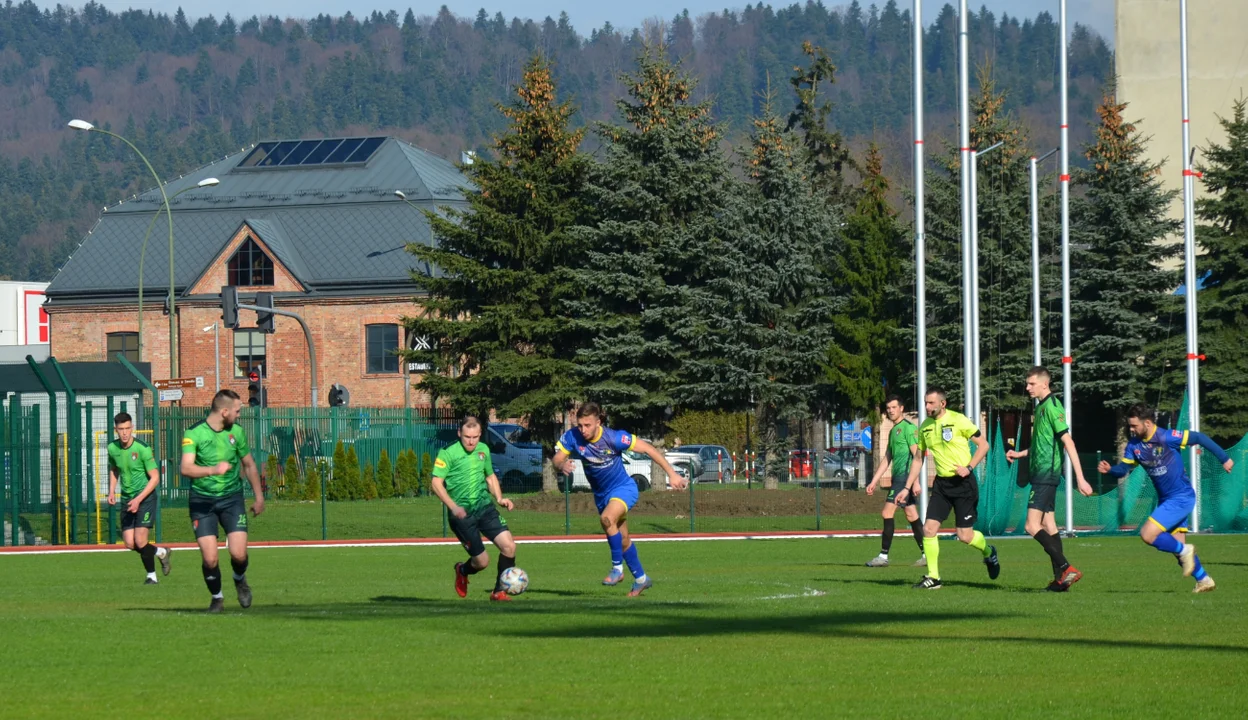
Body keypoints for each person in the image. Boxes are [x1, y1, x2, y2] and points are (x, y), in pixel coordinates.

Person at [552, 403, 686, 597]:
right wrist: (561, 465)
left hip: (624, 489)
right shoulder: (573, 436)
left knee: (607, 519)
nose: (583, 429)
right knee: (623, 540)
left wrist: (672, 474)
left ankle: (617, 569)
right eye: (580, 425)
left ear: (598, 422)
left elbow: (648, 448)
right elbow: (557, 459)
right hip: (601, 495)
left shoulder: (614, 438)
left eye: (587, 425)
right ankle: (641, 580)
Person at [1098, 404, 1233, 593]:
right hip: (1167, 500)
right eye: (1129, 426)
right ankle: (1204, 580)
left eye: (1134, 426)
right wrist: (1110, 470)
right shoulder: (1134, 446)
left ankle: (1186, 551)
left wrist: (1224, 458)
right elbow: (1124, 469)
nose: (1131, 429)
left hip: (1181, 498)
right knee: (1179, 554)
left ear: (1147, 423)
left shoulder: (1167, 437)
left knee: (1147, 534)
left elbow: (1200, 437)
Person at [895, 387, 999, 590]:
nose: (927, 407)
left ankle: (989, 552)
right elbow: (918, 459)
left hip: (964, 485)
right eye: (925, 402)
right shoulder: (925, 427)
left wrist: (968, 468)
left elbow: (984, 445)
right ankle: (934, 577)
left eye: (931, 403)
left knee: (964, 536)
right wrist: (906, 488)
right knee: (929, 529)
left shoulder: (958, 419)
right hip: (942, 485)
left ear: (942, 403)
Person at [1005, 367, 1094, 591]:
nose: (1027, 388)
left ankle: (1066, 567)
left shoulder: (1053, 407)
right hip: (1042, 473)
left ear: (1045, 384)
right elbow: (1041, 444)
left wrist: (1080, 479)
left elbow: (1068, 443)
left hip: (1046, 475)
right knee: (1049, 524)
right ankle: (1061, 581)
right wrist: (1021, 453)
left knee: (1031, 525)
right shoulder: (1041, 407)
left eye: (1031, 384)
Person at [180, 389, 265, 613]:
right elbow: (185, 468)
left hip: (231, 499)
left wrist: (259, 497)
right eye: (237, 411)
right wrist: (213, 470)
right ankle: (217, 598)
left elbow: (249, 464)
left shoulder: (236, 432)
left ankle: (239, 579)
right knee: (210, 560)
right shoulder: (194, 433)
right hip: (202, 501)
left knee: (238, 554)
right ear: (224, 411)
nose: (239, 415)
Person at [432, 416, 518, 602]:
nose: (471, 441)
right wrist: (453, 507)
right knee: (482, 562)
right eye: (467, 437)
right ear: (459, 434)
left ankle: (499, 592)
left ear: (480, 435)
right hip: (462, 516)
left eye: (475, 437)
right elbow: (436, 483)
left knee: (509, 546)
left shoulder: (483, 450)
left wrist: (499, 497)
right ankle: (462, 570)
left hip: (484, 508)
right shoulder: (447, 453)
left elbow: (490, 476)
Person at [106, 412, 171, 584]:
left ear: (132, 428)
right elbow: (114, 469)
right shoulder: (112, 448)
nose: (125, 433)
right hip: (127, 499)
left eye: (128, 428)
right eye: (121, 429)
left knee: (141, 541)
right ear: (116, 430)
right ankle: (161, 552)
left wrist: (139, 499)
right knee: (129, 543)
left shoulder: (142, 449)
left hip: (146, 498)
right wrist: (111, 491)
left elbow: (155, 477)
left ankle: (152, 576)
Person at [864, 395, 927, 568]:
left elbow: (918, 457)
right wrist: (873, 481)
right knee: (911, 515)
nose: (890, 410)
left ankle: (883, 556)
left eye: (893, 407)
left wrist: (915, 482)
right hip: (898, 478)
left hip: (904, 479)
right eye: (888, 408)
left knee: (886, 513)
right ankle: (927, 554)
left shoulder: (908, 428)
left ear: (901, 408)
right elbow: (887, 458)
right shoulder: (893, 431)